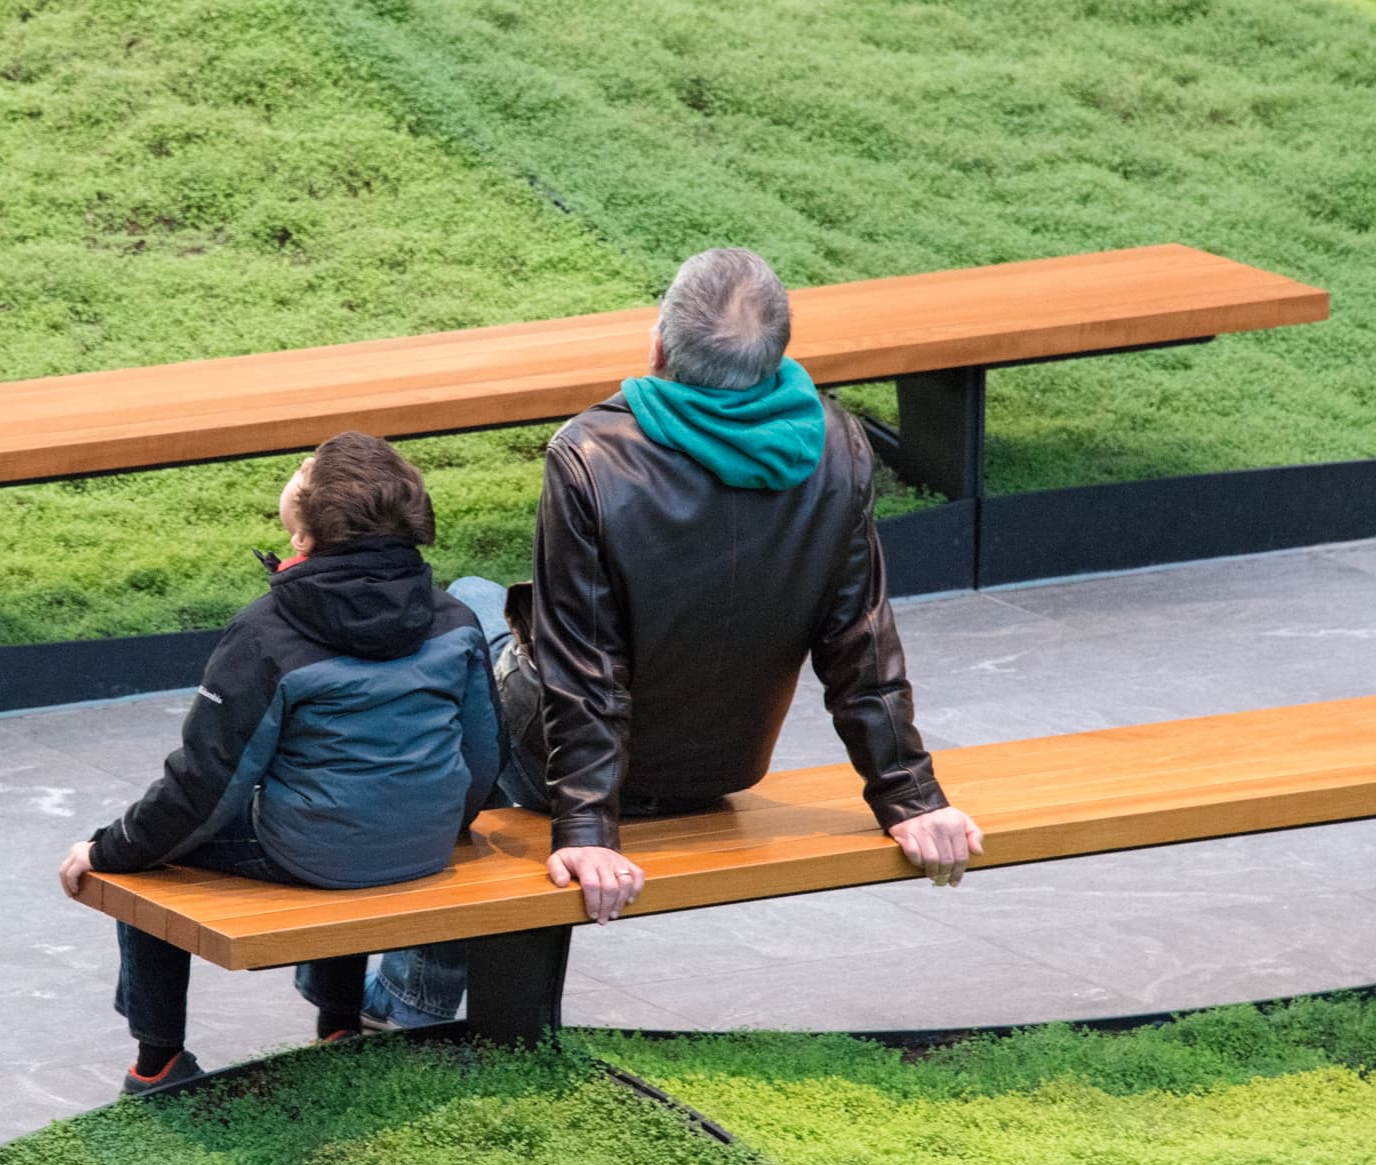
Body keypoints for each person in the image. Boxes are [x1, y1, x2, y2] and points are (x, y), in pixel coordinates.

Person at [363, 247, 985, 1029]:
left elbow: (582, 669)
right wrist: (908, 794)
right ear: (775, 356)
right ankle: (410, 985)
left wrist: (587, 826)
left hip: (561, 767)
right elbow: (858, 640)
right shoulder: (837, 445)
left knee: (462, 620)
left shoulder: (588, 453)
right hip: (724, 761)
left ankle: (409, 992)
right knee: (485, 610)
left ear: (657, 347)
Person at [57, 431, 503, 1093]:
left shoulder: (266, 634)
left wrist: (110, 847)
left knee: (146, 859)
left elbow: (204, 786)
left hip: (314, 850)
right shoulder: (454, 618)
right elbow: (482, 751)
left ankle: (156, 1063)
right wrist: (433, 822)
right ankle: (338, 1022)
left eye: (306, 474)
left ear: (302, 538)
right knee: (343, 797)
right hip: (428, 840)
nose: (300, 469)